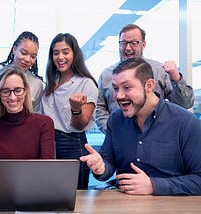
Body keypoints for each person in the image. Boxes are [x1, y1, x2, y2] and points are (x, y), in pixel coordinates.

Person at [80, 57, 201, 196]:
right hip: (124, 202)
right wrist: (100, 167)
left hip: (169, 205)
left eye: (127, 87)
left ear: (149, 86)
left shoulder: (185, 122)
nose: (118, 95)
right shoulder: (116, 119)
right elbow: (108, 162)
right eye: (115, 88)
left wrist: (154, 186)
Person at [95, 23, 194, 133]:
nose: (128, 48)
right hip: (120, 140)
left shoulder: (159, 71)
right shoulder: (107, 75)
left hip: (156, 137)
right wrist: (112, 131)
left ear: (143, 45)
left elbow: (185, 104)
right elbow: (99, 108)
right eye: (123, 43)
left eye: (134, 43)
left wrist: (176, 78)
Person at [0, 65, 55, 190]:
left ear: (25, 91)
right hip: (0, 193)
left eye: (17, 90)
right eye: (5, 91)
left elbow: (45, 168)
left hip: (35, 192)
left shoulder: (44, 124)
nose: (12, 97)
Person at [41, 33, 98, 190]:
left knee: (73, 196)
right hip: (48, 143)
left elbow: (81, 125)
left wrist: (76, 109)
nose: (60, 57)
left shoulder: (86, 84)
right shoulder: (51, 82)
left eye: (65, 52)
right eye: (55, 52)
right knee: (49, 193)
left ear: (75, 54)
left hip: (72, 144)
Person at [0, 31, 44, 123]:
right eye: (23, 53)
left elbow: (33, 116)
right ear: (14, 49)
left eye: (33, 56)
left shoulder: (37, 84)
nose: (27, 59)